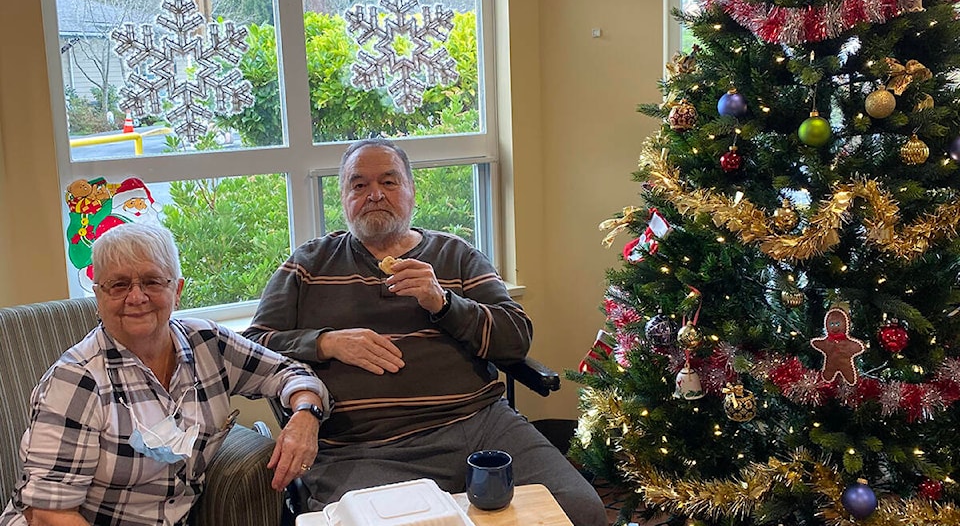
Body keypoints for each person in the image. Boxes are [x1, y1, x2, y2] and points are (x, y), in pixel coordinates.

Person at [244, 138, 607, 526]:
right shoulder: (309, 265)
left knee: (579, 510)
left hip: (478, 427)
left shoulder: (456, 254)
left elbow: (515, 338)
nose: (374, 195)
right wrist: (325, 343)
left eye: (389, 182)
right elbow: (251, 350)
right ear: (343, 197)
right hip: (362, 447)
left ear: (411, 191)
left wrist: (444, 303)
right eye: (359, 185)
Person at [0, 223, 332, 526]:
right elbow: (47, 513)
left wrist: (305, 416)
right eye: (118, 285)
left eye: (152, 281)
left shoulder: (208, 343)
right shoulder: (77, 380)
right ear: (99, 296)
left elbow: (288, 371)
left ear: (177, 289)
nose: (136, 297)